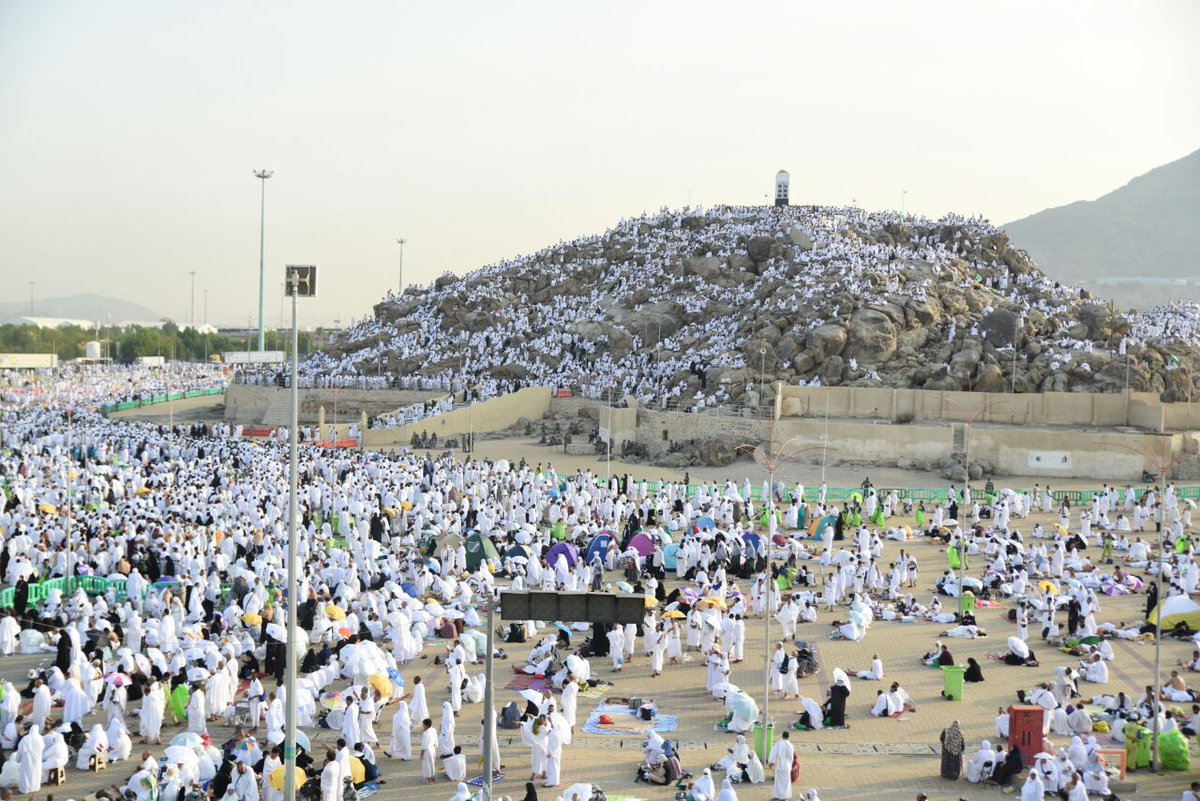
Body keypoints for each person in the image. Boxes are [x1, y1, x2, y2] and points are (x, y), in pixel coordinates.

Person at [767, 730, 794, 801]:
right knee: (786, 782)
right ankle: (786, 797)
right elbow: (791, 757)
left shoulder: (778, 743)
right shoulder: (791, 745)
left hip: (780, 766)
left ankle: (778, 797)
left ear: (782, 736)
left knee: (778, 782)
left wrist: (771, 762)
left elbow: (773, 753)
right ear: (788, 737)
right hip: (787, 766)